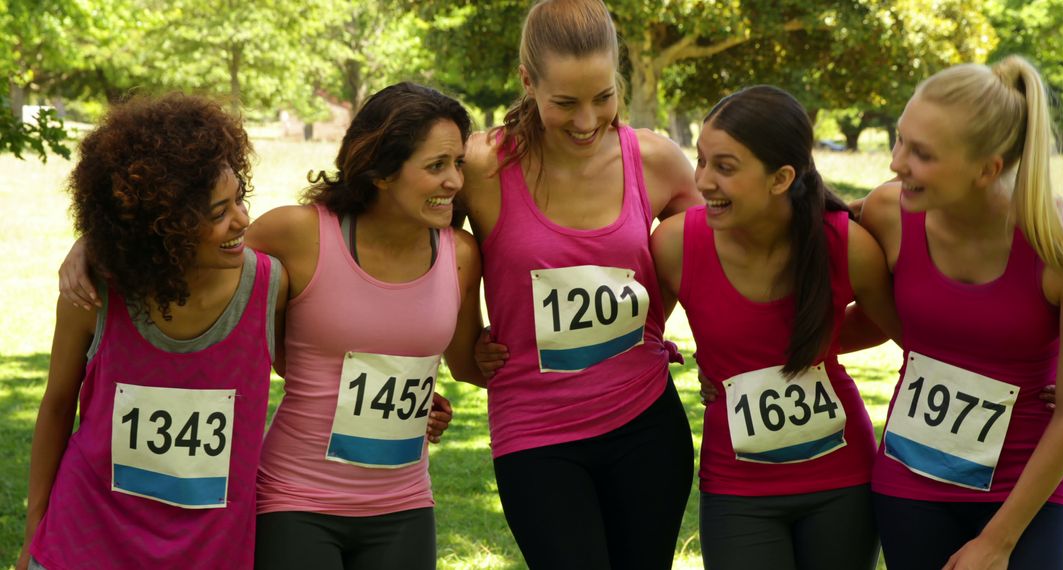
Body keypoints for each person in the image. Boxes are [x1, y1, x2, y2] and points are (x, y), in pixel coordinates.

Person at [55, 82, 480, 569]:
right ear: (382, 172)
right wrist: (93, 242)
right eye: (436, 166)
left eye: (458, 165)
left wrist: (420, 398)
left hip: (405, 500)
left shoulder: (459, 254)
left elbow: (458, 363)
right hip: (295, 497)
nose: (454, 181)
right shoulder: (295, 234)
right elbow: (181, 236)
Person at [461, 1, 701, 567]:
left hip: (646, 421)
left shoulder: (659, 161)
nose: (588, 121)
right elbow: (426, 253)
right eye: (565, 103)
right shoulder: (482, 166)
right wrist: (459, 346)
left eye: (604, 96)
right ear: (527, 82)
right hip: (535, 431)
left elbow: (723, 259)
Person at [19, 94, 289, 569]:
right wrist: (33, 534)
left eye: (240, 198)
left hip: (211, 552)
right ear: (160, 224)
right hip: (84, 540)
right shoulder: (94, 293)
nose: (242, 220)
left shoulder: (271, 286)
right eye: (217, 212)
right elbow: (58, 404)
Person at [649, 85, 902, 570]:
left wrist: (811, 344)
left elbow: (906, 333)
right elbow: (642, 335)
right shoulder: (677, 244)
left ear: (781, 177)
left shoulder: (846, 244)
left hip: (841, 482)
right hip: (737, 488)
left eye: (725, 167)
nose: (702, 181)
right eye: (700, 161)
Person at [860, 55, 1063, 569]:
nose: (896, 162)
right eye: (899, 139)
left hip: (1026, 495)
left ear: (988, 169)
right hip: (909, 485)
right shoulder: (887, 215)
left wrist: (998, 542)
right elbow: (852, 316)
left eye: (922, 153)